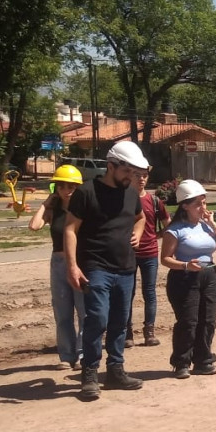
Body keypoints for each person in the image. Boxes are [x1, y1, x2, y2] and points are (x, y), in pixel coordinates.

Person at [64, 141, 149, 399]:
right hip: (95, 267)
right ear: (111, 166)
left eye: (135, 173)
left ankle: (115, 371)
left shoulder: (131, 193)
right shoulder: (87, 192)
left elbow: (140, 217)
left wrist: (137, 232)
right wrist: (72, 266)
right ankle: (89, 372)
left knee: (119, 322)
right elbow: (70, 229)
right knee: (97, 319)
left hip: (125, 268)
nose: (131, 177)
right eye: (127, 172)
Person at [160, 180, 216, 379]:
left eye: (204, 202)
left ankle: (203, 360)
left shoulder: (206, 226)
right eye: (198, 204)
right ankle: (182, 362)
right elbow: (165, 259)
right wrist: (185, 265)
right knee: (188, 321)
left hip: (209, 274)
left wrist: (212, 223)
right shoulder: (175, 229)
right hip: (184, 277)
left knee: (208, 320)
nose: (203, 207)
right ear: (185, 205)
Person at [29, 164, 85, 370]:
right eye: (61, 186)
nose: (66, 190)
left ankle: (82, 354)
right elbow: (34, 226)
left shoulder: (84, 209)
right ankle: (66, 355)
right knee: (62, 312)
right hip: (59, 263)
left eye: (71, 186)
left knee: (84, 311)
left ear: (78, 187)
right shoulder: (54, 211)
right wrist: (45, 204)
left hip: (80, 262)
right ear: (56, 188)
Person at [125, 166, 169, 348]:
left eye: (144, 176)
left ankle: (149, 332)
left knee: (149, 293)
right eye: (137, 175)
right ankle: (127, 333)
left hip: (150, 252)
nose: (141, 179)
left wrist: (158, 235)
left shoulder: (154, 200)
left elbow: (168, 224)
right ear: (131, 177)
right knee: (127, 293)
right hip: (128, 253)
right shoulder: (124, 198)